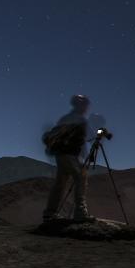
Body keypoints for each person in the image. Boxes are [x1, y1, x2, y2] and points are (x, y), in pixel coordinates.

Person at [42, 95, 94, 223]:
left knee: (60, 183)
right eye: (85, 105)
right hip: (70, 155)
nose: (87, 108)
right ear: (80, 105)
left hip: (60, 154)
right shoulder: (79, 120)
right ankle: (80, 212)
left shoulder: (64, 118)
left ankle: (50, 213)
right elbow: (89, 137)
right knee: (81, 178)